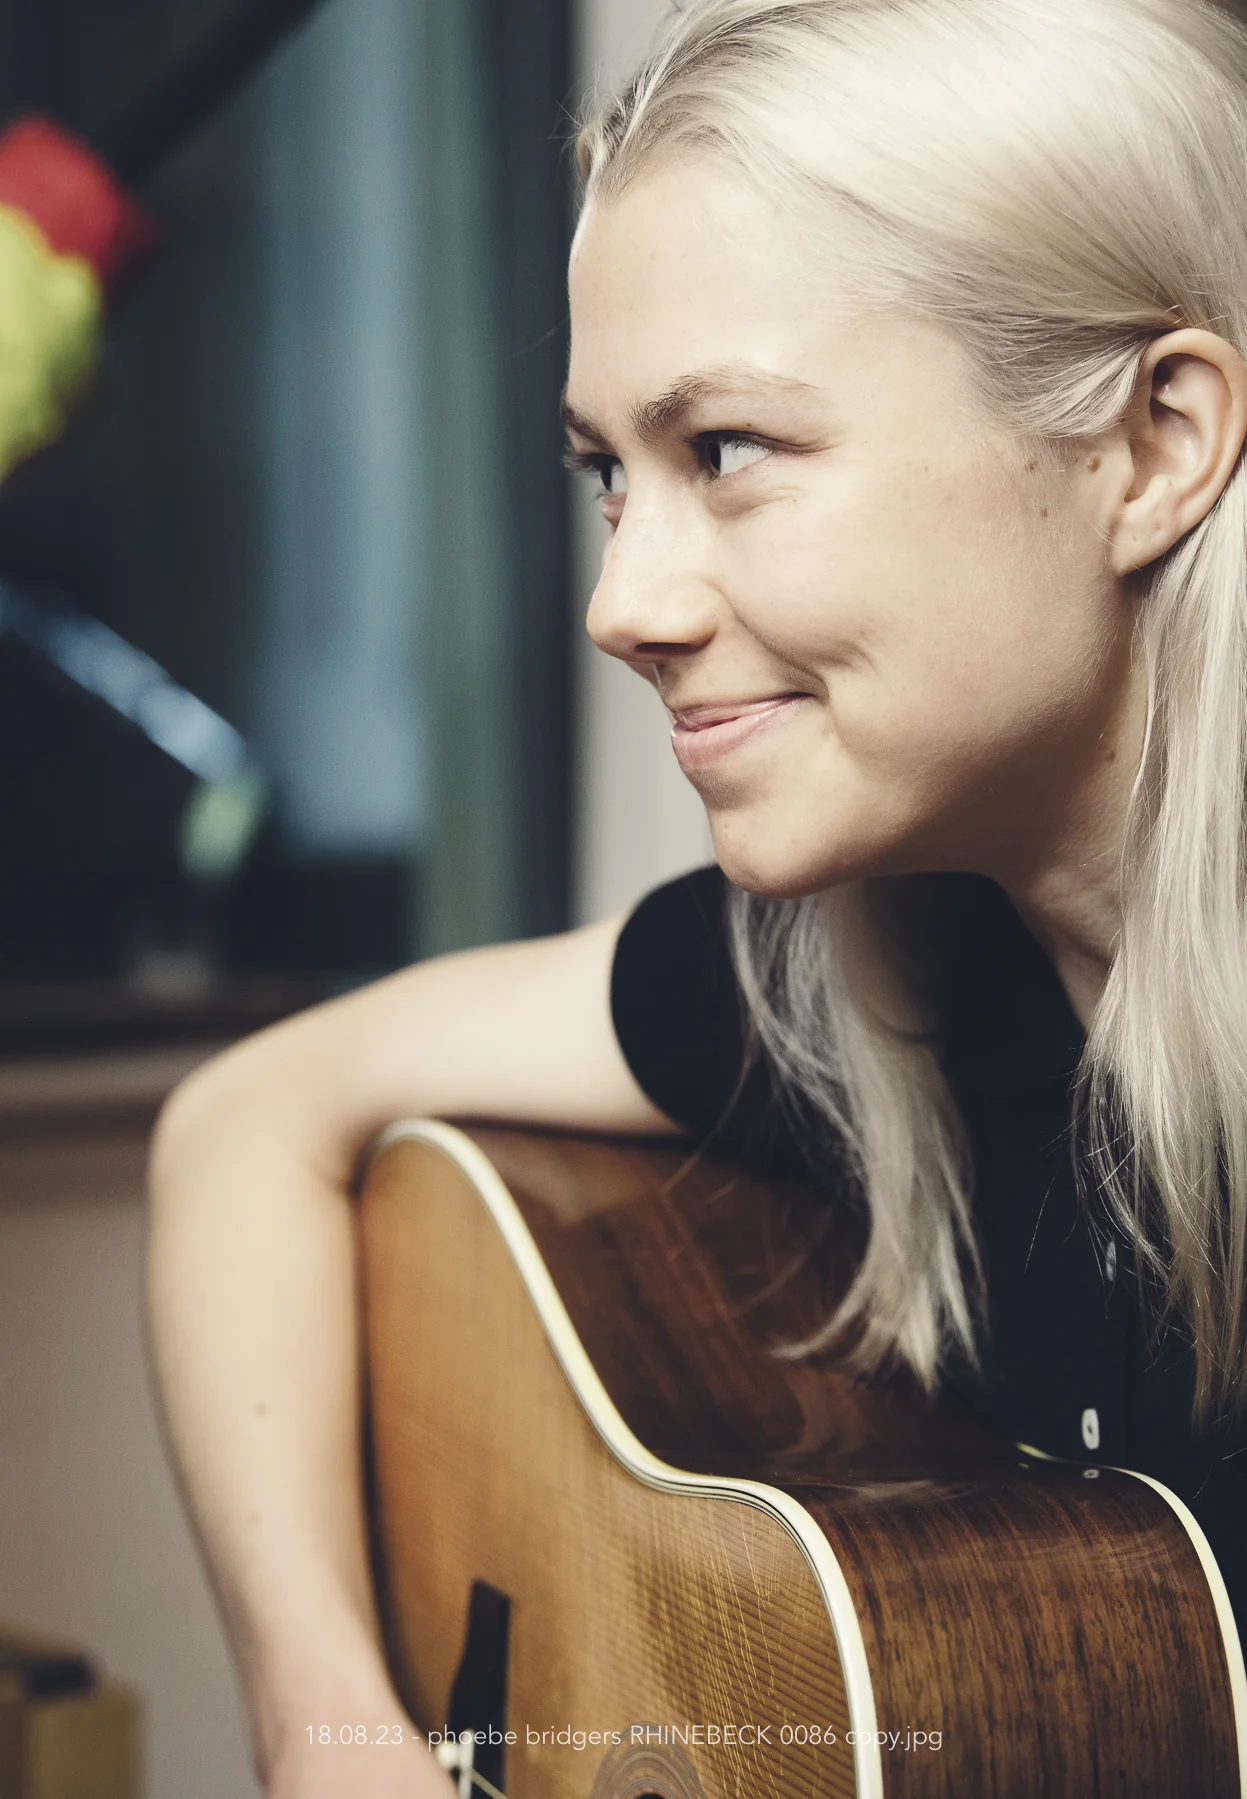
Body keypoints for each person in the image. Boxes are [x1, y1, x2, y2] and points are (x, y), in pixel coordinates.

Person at [148, 0, 1247, 1791]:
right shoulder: (877, 981)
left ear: (1149, 444)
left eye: (725, 449)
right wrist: (328, 1724)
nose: (621, 602)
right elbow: (248, 1119)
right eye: (605, 476)